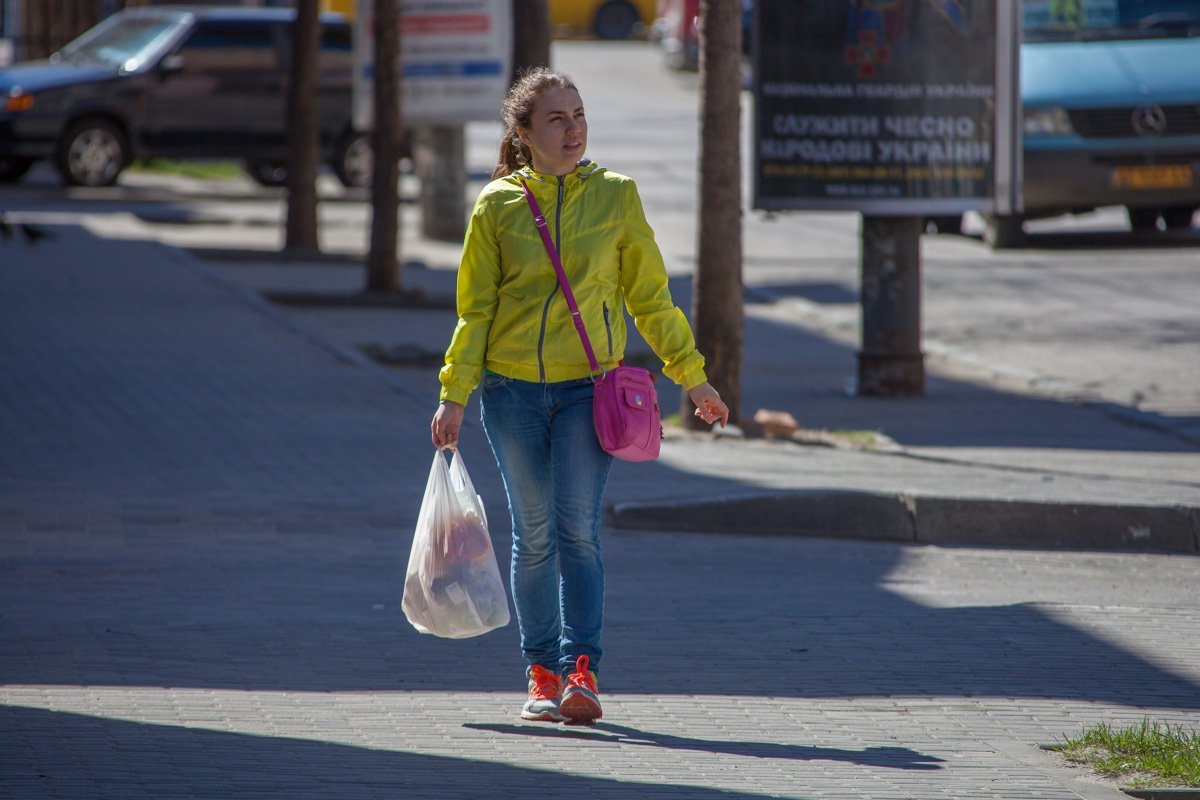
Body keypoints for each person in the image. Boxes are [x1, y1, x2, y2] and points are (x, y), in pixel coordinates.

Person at [430, 67, 729, 725]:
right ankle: (539, 671)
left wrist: (693, 376)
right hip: (509, 393)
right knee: (533, 535)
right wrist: (455, 394)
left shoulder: (617, 197)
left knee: (576, 530)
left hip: (586, 394)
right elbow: (473, 311)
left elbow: (649, 297)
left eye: (579, 114)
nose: (573, 129)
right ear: (525, 134)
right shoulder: (498, 206)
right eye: (557, 119)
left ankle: (581, 670)